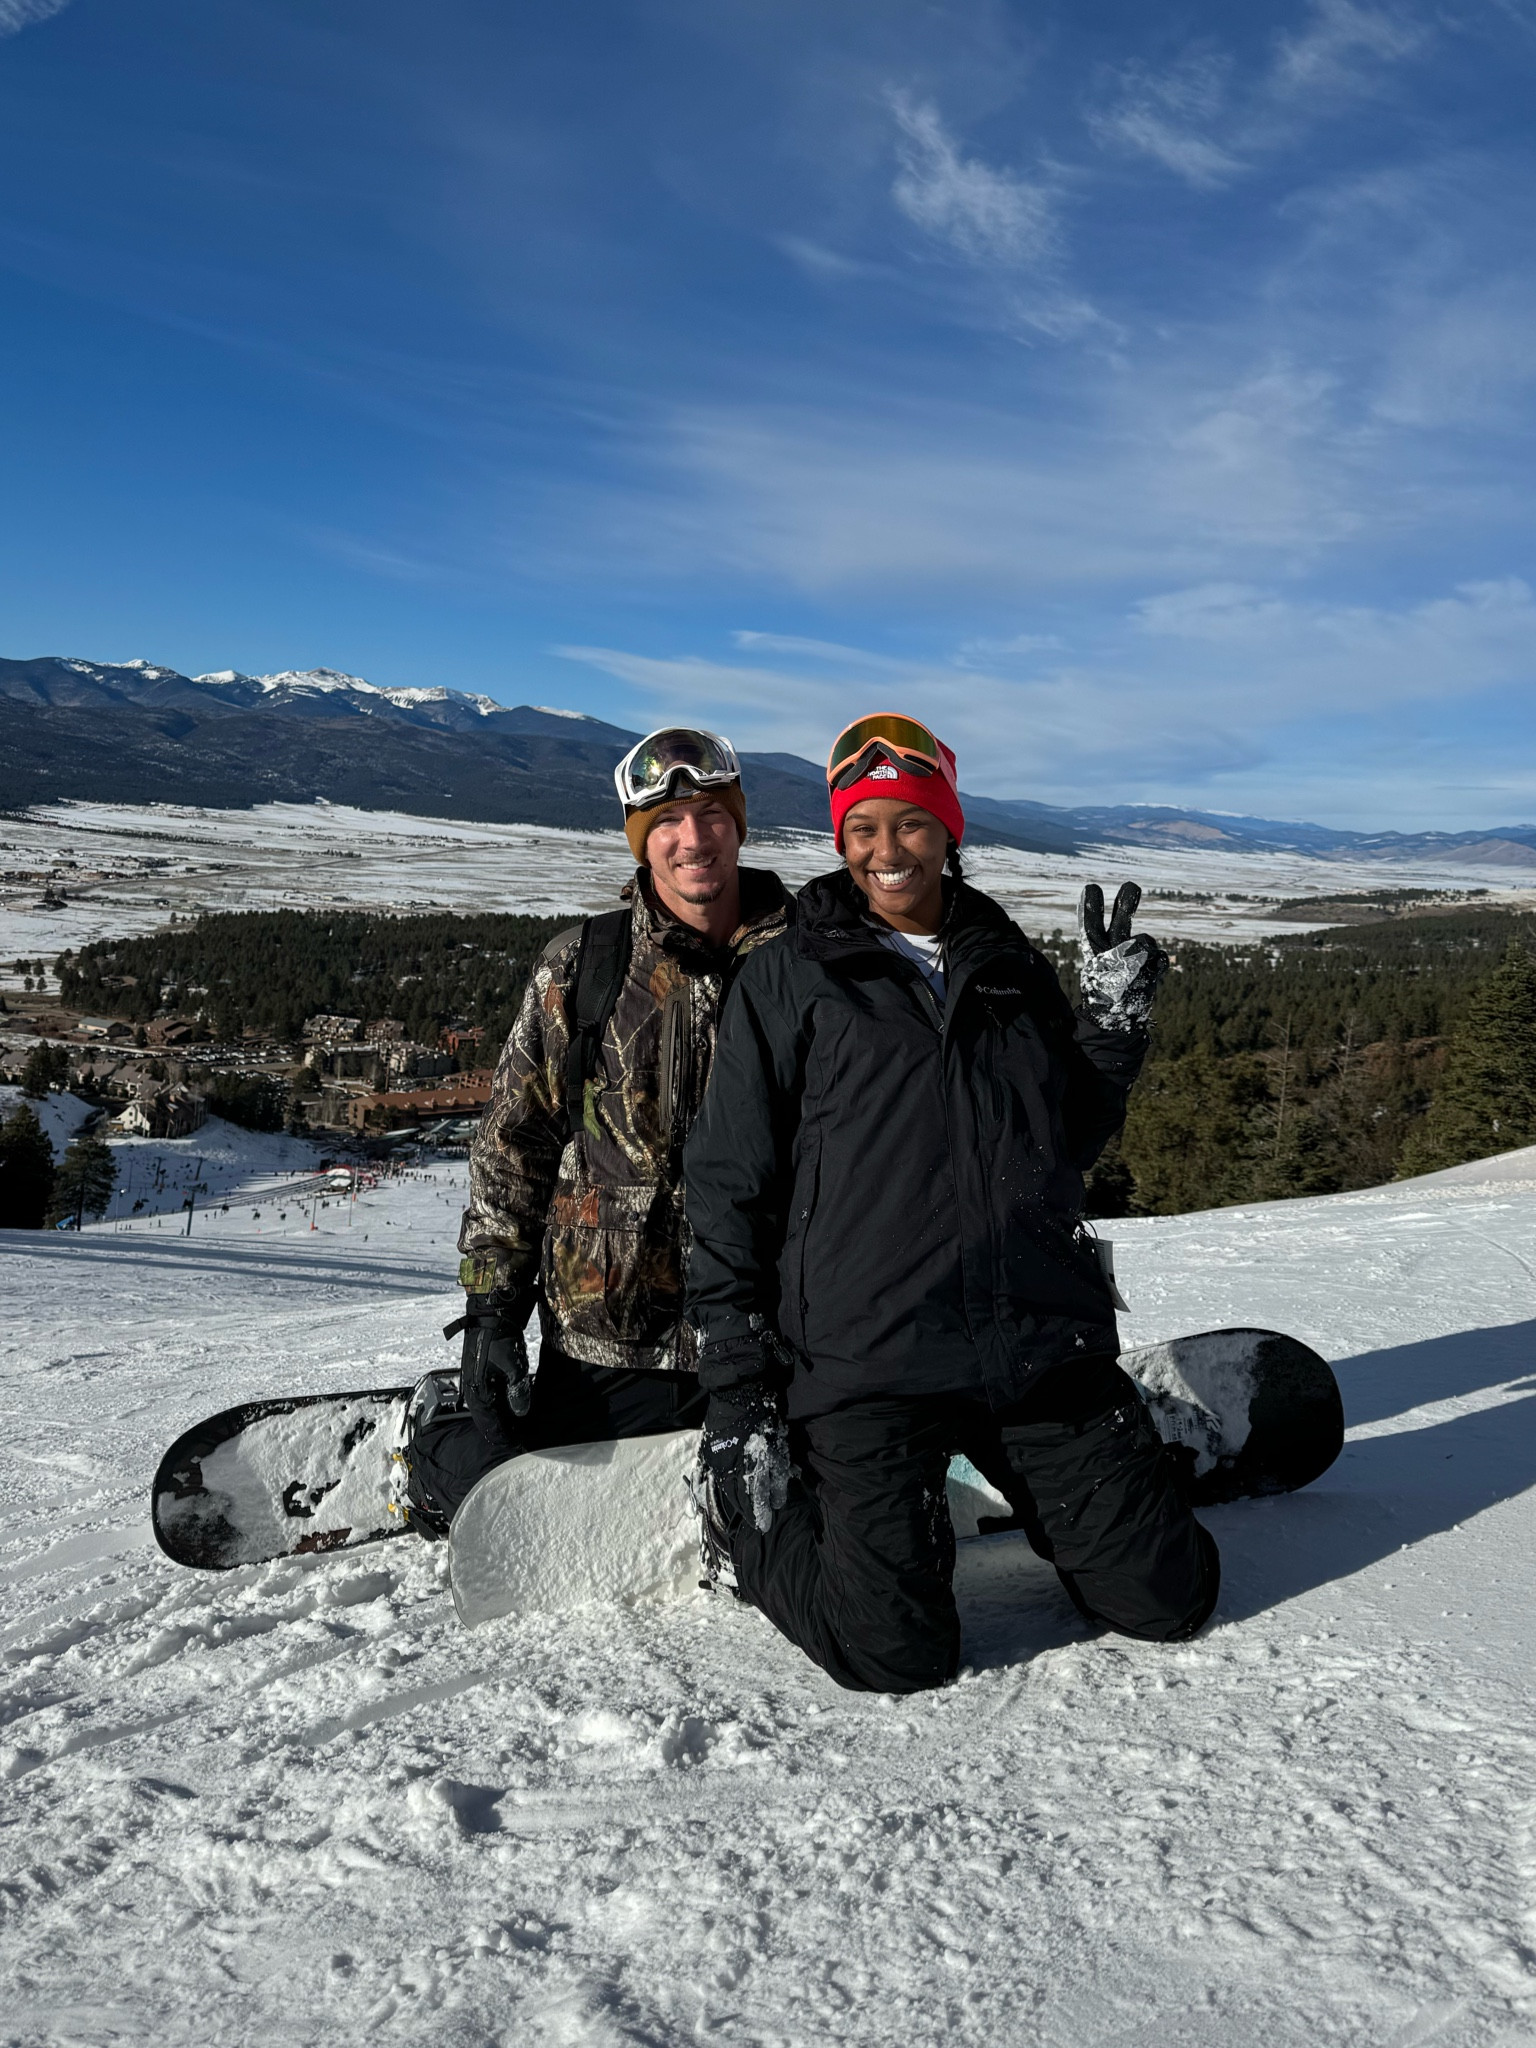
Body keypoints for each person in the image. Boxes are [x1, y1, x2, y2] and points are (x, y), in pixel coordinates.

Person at [682, 711, 1219, 1693]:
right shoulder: (789, 976)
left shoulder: (1005, 963)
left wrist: (1112, 1027)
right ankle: (744, 1511)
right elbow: (728, 1183)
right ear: (842, 843)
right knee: (893, 1652)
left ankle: (1110, 1464)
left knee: (1169, 1597)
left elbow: (1060, 1142)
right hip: (867, 1356)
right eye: (863, 830)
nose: (887, 850)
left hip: (1030, 1345)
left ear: (949, 829)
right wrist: (737, 1391)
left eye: (911, 824)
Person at [402, 726, 790, 1531]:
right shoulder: (582, 967)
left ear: (740, 825)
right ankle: (434, 1436)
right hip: (614, 1334)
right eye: (667, 823)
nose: (693, 839)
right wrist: (490, 1313)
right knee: (544, 1518)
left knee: (776, 1519)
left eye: (712, 814)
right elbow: (514, 1148)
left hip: (771, 1324)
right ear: (642, 842)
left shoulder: (807, 962)